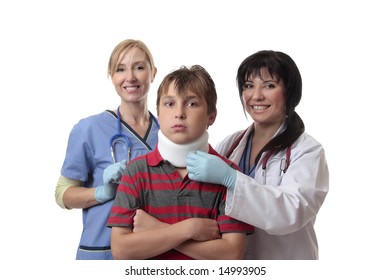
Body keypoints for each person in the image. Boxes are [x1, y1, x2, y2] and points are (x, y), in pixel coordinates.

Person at [186, 50, 329, 260]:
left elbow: (291, 212)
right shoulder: (230, 145)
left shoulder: (307, 151)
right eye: (248, 86)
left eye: (269, 85)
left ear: (289, 92)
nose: (256, 95)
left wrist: (233, 180)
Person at [107, 65, 254, 260]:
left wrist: (155, 229)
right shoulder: (137, 172)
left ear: (212, 116)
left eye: (191, 104)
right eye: (169, 104)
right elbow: (121, 250)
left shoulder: (228, 175)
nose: (179, 113)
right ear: (158, 113)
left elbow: (231, 254)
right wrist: (188, 229)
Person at [55, 39, 159, 260]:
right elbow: (62, 193)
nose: (130, 77)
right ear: (112, 76)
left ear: (153, 73)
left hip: (154, 253)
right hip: (101, 254)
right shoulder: (89, 129)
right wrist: (101, 193)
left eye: (139, 67)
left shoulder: (168, 133)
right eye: (121, 69)